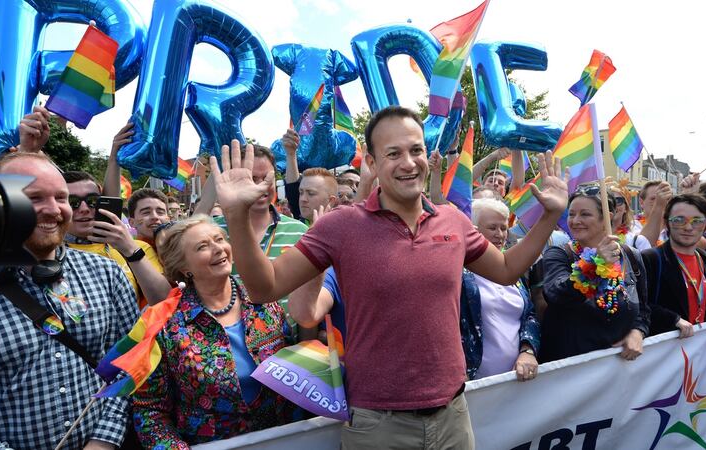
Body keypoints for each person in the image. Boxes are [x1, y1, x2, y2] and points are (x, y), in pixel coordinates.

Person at [213, 106, 569, 449]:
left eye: (416, 150)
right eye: (393, 153)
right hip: (377, 426)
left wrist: (550, 215)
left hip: (453, 416)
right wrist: (236, 215)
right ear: (372, 163)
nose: (408, 162)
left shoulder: (453, 221)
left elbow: (506, 271)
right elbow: (265, 288)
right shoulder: (340, 226)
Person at [0, 152, 138, 449]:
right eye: (34, 198)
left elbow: (133, 363)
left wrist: (103, 441)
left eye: (61, 197)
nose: (53, 209)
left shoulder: (107, 273)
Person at [132, 216, 299, 448]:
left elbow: (297, 379)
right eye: (202, 246)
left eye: (219, 239)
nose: (218, 248)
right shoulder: (167, 325)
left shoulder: (264, 303)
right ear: (184, 267)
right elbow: (149, 410)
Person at [205, 143, 309, 342]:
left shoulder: (299, 231)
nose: (261, 185)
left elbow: (308, 296)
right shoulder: (210, 231)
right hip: (227, 352)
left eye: (267, 178)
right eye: (252, 179)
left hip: (287, 352)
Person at [539, 189, 650, 363]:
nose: (575, 221)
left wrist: (638, 331)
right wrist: (595, 264)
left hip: (618, 368)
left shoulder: (631, 256)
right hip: (569, 370)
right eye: (572, 214)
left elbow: (643, 309)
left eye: (585, 214)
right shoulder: (559, 254)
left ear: (606, 216)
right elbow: (556, 295)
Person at [62, 171, 170, 308]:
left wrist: (131, 251)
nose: (84, 209)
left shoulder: (137, 247)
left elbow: (164, 301)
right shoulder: (49, 255)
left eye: (92, 201)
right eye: (73, 202)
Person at [460, 198, 540, 381]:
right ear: (473, 230)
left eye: (504, 228)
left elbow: (529, 315)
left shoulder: (514, 271)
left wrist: (528, 350)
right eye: (492, 228)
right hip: (472, 382)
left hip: (516, 379)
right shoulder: (459, 272)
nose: (500, 234)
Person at [641, 194, 706, 337]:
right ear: (667, 223)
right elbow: (640, 305)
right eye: (679, 220)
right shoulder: (651, 258)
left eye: (697, 221)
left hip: (698, 345)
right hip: (666, 349)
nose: (688, 227)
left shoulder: (703, 257)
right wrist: (673, 319)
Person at [609, 183, 650, 250]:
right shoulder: (592, 237)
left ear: (626, 208)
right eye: (609, 202)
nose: (613, 205)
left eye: (618, 201)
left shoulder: (637, 239)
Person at [634, 180, 672, 247]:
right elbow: (643, 245)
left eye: (666, 198)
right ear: (641, 202)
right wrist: (658, 206)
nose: (663, 201)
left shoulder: (674, 225)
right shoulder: (633, 225)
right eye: (653, 198)